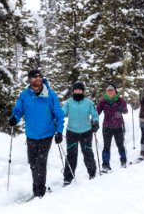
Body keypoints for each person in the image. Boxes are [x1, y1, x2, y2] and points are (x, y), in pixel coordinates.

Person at [9, 69, 65, 198]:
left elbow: (59, 115)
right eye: (34, 77)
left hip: (47, 134)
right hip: (31, 135)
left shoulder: (50, 95)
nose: (38, 79)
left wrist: (59, 132)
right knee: (33, 163)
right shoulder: (25, 95)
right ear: (30, 79)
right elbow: (18, 110)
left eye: (39, 76)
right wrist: (14, 118)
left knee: (41, 162)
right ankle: (37, 187)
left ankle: (40, 191)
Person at [61, 81, 99, 186]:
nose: (78, 91)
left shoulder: (89, 102)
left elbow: (95, 115)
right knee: (71, 155)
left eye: (80, 90)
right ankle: (68, 178)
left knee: (87, 153)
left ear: (83, 91)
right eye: (76, 90)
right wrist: (57, 117)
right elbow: (62, 113)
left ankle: (92, 173)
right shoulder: (68, 102)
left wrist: (95, 123)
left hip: (86, 131)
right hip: (72, 132)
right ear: (73, 91)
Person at [96, 83, 128, 172]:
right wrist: (93, 120)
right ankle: (105, 165)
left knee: (120, 145)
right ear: (106, 92)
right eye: (108, 90)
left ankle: (123, 161)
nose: (110, 92)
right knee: (106, 146)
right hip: (107, 126)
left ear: (115, 91)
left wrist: (122, 109)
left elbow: (126, 111)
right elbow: (97, 112)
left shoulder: (120, 100)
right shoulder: (103, 101)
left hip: (118, 126)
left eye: (112, 90)